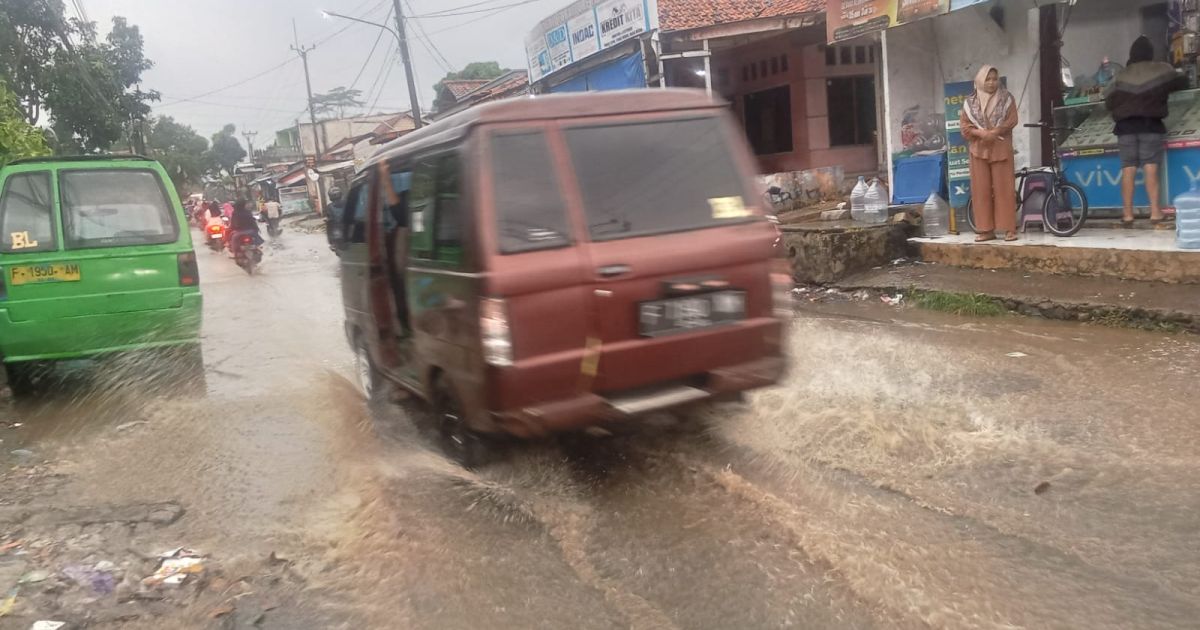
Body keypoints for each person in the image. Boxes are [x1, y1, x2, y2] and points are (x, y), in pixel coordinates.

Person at [1106, 35, 1188, 226]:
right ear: (1150, 53)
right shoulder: (1162, 69)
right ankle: (1155, 213)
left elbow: (1108, 101)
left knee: (1128, 169)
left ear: (1131, 54)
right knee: (1150, 166)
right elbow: (1183, 82)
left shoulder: (1120, 75)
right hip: (1150, 125)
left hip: (1125, 127)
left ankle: (1127, 215)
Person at [961, 65, 1019, 242]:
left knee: (1004, 188)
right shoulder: (969, 102)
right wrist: (981, 133)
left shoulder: (1007, 98)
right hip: (978, 149)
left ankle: (1009, 229)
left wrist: (995, 132)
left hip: (1000, 147)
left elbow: (1012, 120)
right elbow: (965, 127)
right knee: (981, 190)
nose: (992, 83)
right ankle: (986, 230)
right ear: (980, 80)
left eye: (994, 79)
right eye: (988, 79)